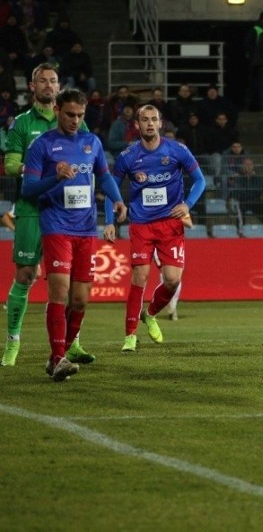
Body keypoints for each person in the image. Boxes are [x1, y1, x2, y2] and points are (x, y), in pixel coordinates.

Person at [21, 87, 128, 381]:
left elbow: (104, 176)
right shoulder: (42, 146)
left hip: (85, 228)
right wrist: (54, 176)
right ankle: (58, 358)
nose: (75, 120)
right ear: (57, 110)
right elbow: (27, 189)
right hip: (56, 225)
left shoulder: (91, 142)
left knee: (80, 300)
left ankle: (59, 355)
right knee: (59, 292)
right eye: (70, 114)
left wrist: (117, 198)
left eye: (80, 115)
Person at [1, 64, 95, 367]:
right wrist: (37, 167)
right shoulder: (22, 125)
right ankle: (12, 342)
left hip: (68, 212)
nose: (48, 85)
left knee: (68, 285)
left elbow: (89, 159)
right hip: (32, 208)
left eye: (53, 80)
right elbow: (11, 165)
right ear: (32, 86)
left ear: (59, 87)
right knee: (26, 275)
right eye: (42, 80)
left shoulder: (75, 122)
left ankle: (72, 345)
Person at [105, 105, 206, 352]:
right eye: (144, 120)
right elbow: (110, 188)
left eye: (154, 119)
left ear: (161, 123)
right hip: (141, 225)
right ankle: (130, 336)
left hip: (170, 224)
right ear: (137, 125)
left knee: (172, 281)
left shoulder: (177, 150)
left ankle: (149, 314)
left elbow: (201, 180)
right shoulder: (128, 156)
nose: (150, 123)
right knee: (139, 277)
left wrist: (188, 204)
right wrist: (109, 220)